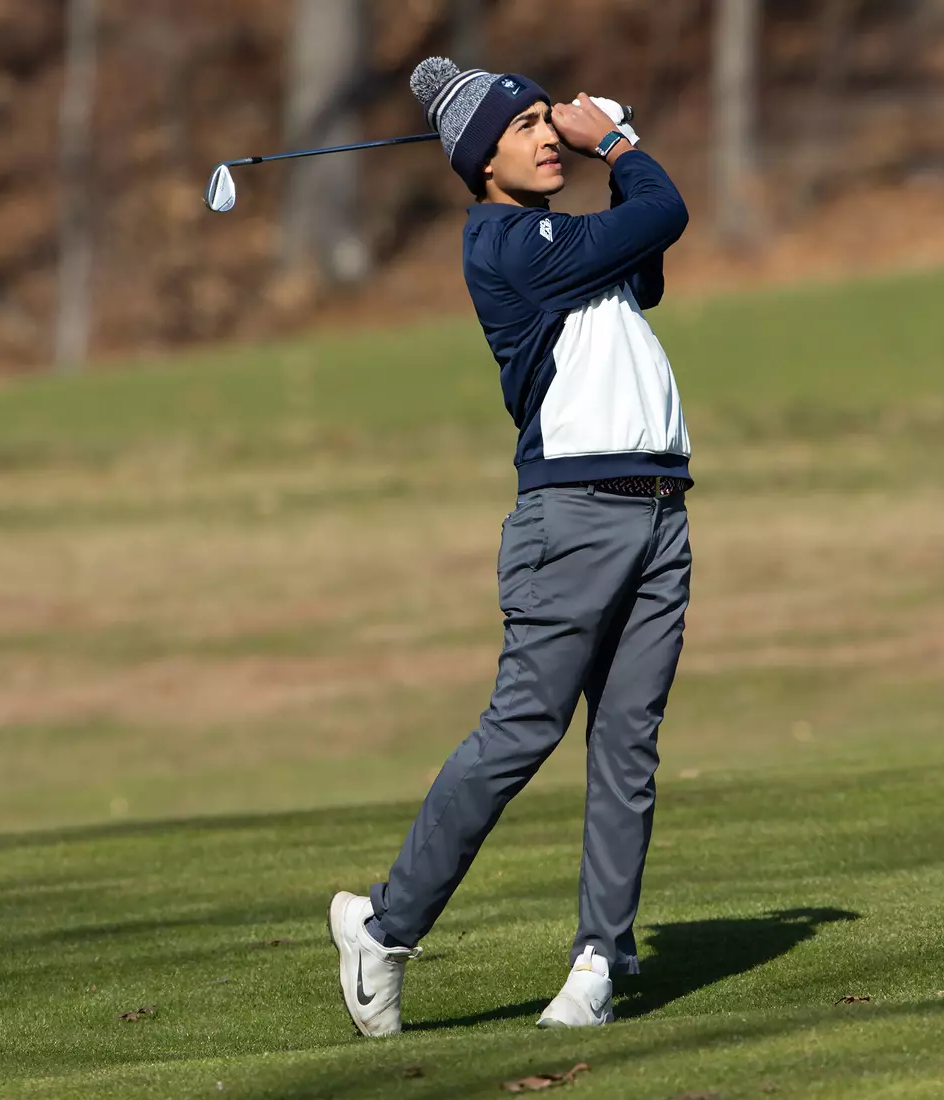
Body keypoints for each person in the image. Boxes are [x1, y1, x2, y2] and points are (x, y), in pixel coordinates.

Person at [328, 57, 694, 1036]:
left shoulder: (567, 240)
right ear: (479, 160)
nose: (545, 137)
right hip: (574, 517)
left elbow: (644, 262)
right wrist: (615, 143)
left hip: (659, 508)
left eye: (547, 120)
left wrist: (616, 159)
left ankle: (598, 962)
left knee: (628, 747)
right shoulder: (506, 242)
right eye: (525, 125)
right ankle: (384, 922)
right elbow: (666, 214)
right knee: (523, 728)